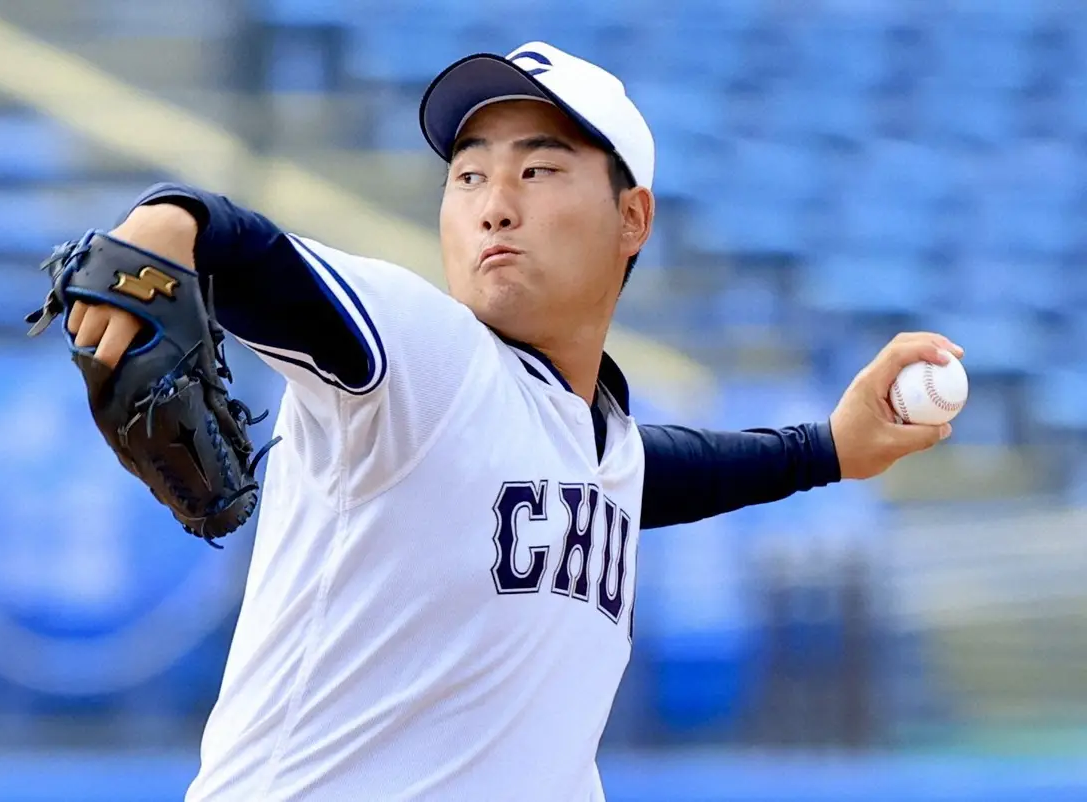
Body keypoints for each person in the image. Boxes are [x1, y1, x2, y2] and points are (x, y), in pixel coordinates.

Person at [62, 42, 958, 802]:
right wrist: (178, 217)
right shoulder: (426, 355)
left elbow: (657, 471)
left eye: (537, 169)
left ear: (632, 217)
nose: (494, 201)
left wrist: (830, 449)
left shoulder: (591, 438)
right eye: (468, 175)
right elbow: (256, 257)